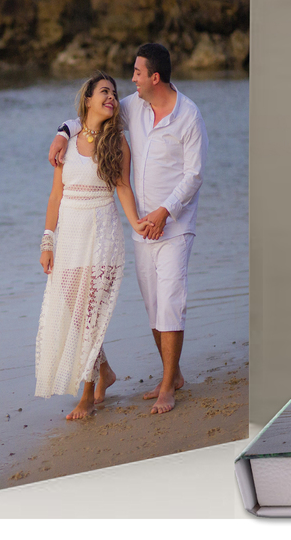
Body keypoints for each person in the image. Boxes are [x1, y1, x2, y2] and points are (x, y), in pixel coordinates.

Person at [48, 43, 207, 415]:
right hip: (141, 225)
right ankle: (175, 372)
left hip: (175, 223)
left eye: (136, 73)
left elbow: (194, 174)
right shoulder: (133, 106)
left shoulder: (189, 116)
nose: (130, 79)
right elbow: (87, 118)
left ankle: (168, 386)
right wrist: (60, 133)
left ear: (154, 77)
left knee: (170, 300)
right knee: (154, 304)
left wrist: (165, 212)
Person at [36, 72, 149, 419]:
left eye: (114, 93)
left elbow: (124, 189)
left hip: (103, 236)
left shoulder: (117, 144)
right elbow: (56, 195)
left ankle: (86, 395)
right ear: (88, 99)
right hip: (70, 237)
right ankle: (106, 372)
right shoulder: (66, 143)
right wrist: (47, 241)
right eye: (104, 91)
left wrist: (137, 223)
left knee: (89, 315)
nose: (112, 97)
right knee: (77, 314)